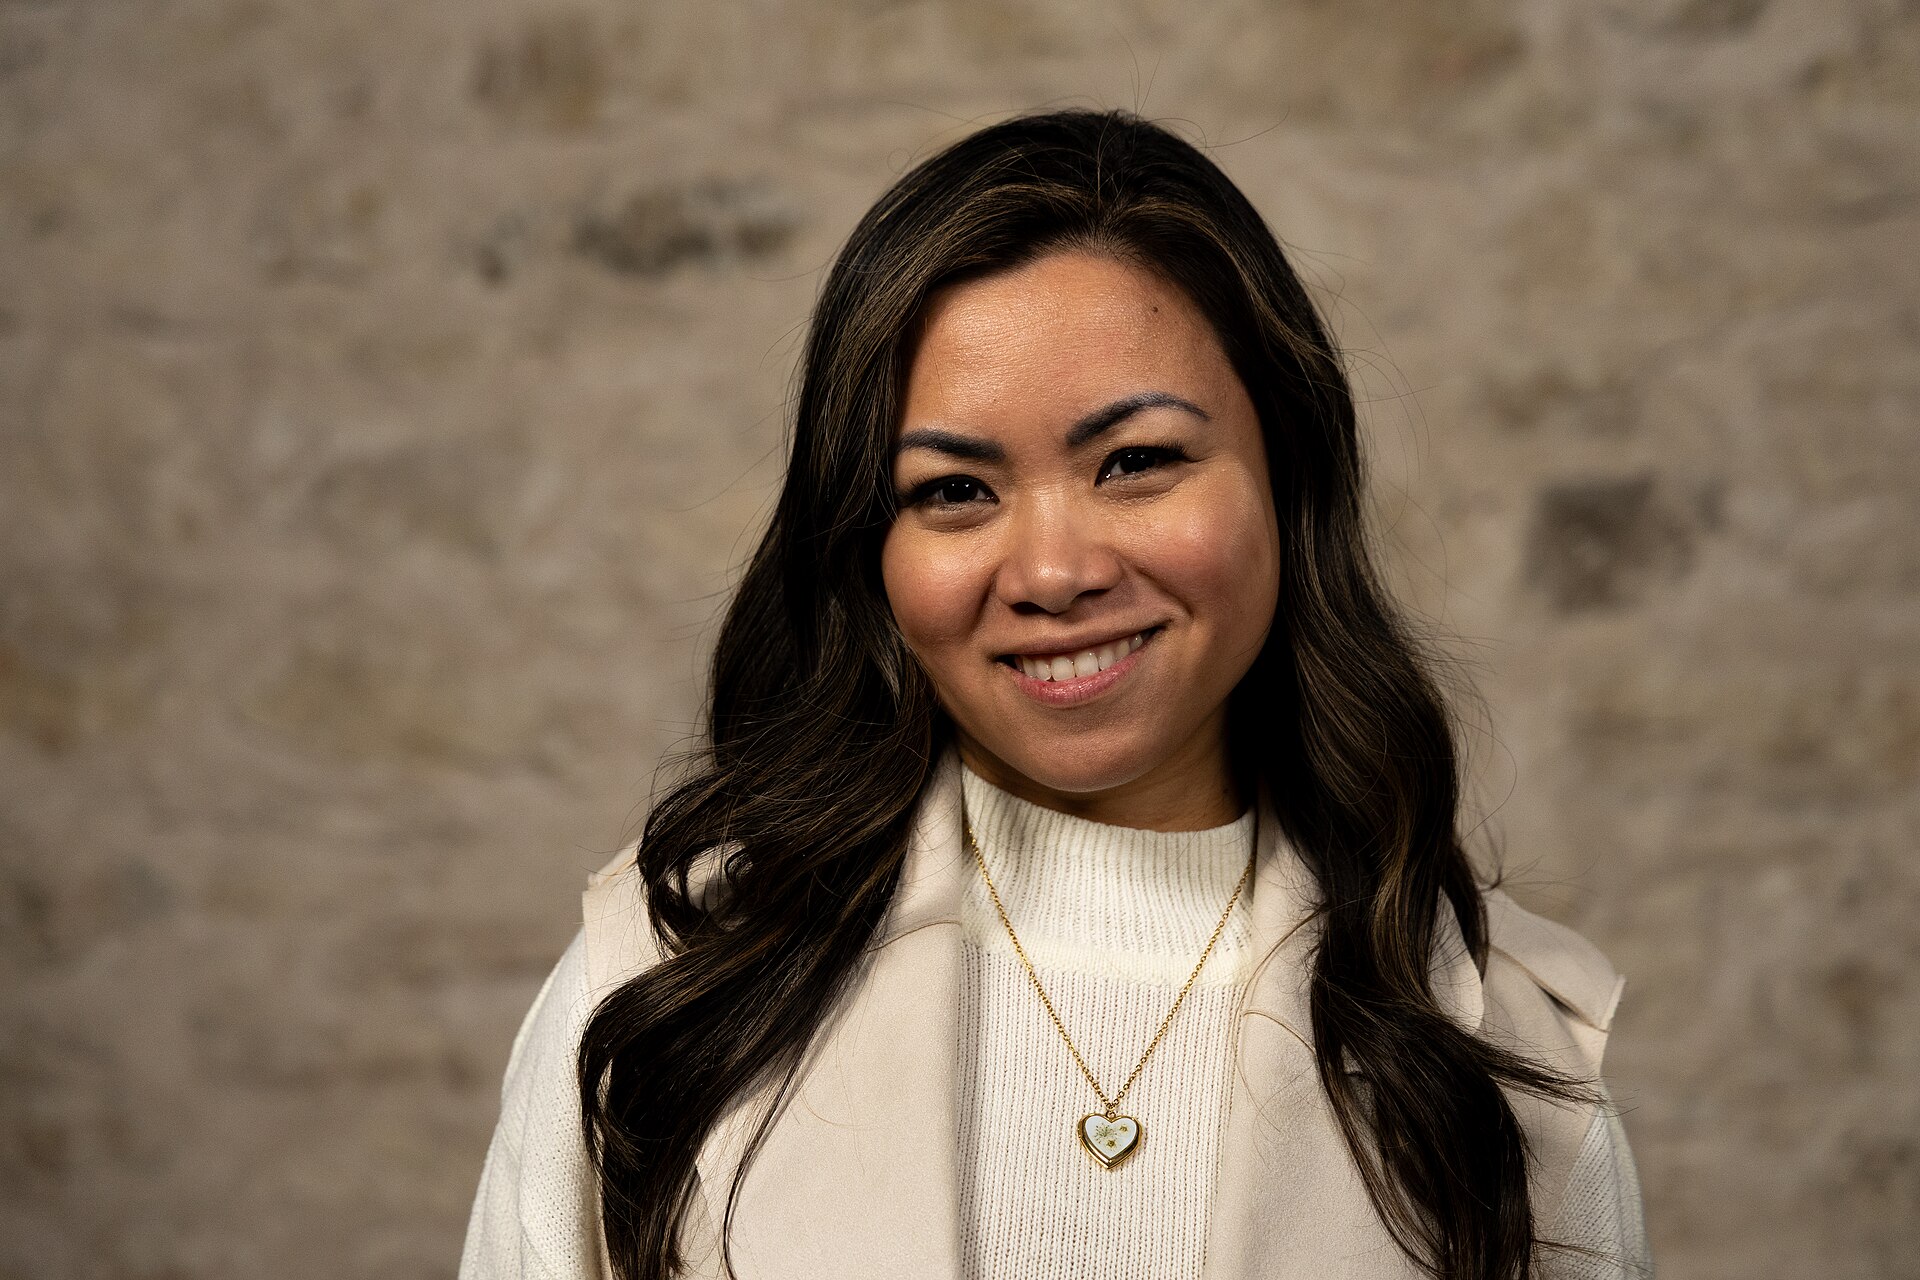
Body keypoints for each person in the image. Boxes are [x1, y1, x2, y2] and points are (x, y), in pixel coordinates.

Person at [458, 108, 1651, 1280]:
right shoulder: (663, 997)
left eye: (1135, 462)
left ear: (1289, 474)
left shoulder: (1500, 1056)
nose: (1052, 572)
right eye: (954, 491)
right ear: (870, 545)